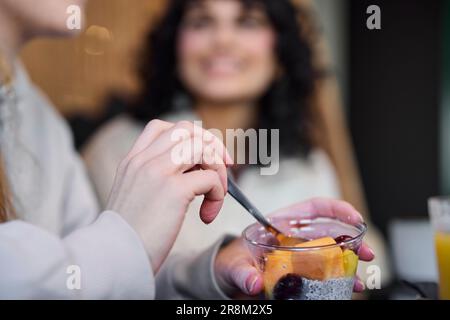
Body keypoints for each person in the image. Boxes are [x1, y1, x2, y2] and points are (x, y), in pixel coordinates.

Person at [0, 0, 374, 299]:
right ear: (174, 45)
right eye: (201, 22)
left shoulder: (308, 161)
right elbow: (107, 273)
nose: (222, 40)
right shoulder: (122, 149)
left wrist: (214, 267)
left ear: (280, 52)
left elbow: (119, 276)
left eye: (247, 21)